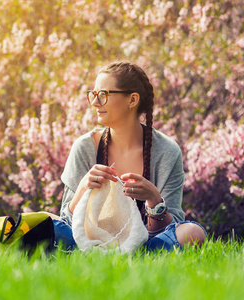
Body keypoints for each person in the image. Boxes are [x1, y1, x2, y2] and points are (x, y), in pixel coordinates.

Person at [54, 61, 207, 252]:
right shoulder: (84, 147)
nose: (95, 102)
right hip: (88, 245)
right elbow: (66, 222)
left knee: (192, 233)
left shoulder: (167, 151)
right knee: (46, 224)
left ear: (132, 100)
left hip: (145, 246)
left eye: (103, 95)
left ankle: (139, 259)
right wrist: (82, 189)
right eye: (93, 94)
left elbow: (172, 228)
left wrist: (154, 201)